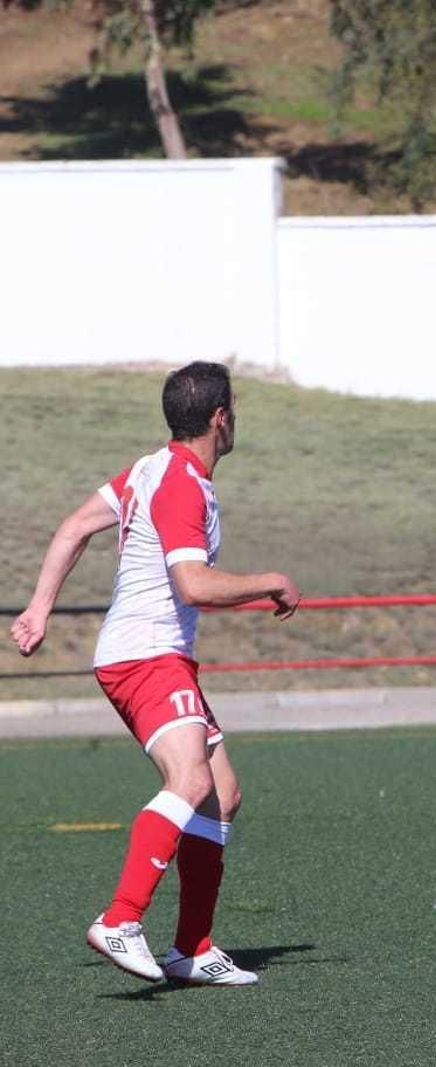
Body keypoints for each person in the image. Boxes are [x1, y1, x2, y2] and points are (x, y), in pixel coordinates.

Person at [9, 361, 302, 986]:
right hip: (146, 654)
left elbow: (73, 528)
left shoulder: (150, 468)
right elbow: (193, 585)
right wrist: (270, 582)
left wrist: (38, 609)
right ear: (220, 418)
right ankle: (120, 918)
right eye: (235, 407)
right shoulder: (180, 483)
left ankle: (192, 949)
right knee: (190, 779)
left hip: (151, 654)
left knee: (221, 792)